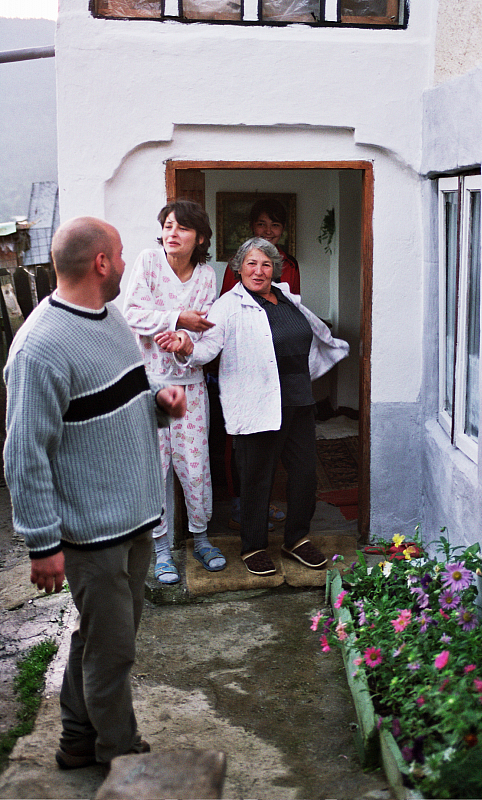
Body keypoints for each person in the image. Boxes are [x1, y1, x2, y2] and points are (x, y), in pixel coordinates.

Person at [3, 217, 188, 770]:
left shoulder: (108, 318)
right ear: (101, 263)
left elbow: (121, 395)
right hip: (92, 534)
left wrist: (161, 402)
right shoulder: (39, 349)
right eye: (123, 255)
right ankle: (120, 753)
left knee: (99, 638)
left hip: (132, 520)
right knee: (113, 651)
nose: (129, 263)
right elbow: (23, 454)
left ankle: (78, 742)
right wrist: (41, 544)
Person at [155, 237, 349, 577]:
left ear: (274, 269)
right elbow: (206, 349)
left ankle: (297, 539)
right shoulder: (228, 306)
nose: (259, 271)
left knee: (304, 476)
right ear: (238, 268)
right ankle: (254, 546)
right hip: (256, 404)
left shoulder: (287, 298)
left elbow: (311, 336)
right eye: (251, 264)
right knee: (258, 479)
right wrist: (185, 345)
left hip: (299, 401)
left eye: (266, 264)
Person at [124, 200, 226, 583]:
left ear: (199, 237)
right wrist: (176, 318)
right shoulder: (148, 262)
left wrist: (182, 337)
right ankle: (162, 551)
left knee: (194, 467)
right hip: (150, 385)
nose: (172, 232)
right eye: (168, 225)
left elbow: (204, 326)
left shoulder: (205, 275)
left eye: (182, 227)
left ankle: (200, 540)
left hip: (189, 388)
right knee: (156, 468)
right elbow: (133, 311)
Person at [219, 197, 300, 530]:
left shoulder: (290, 265)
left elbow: (294, 312)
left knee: (277, 437)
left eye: (276, 225)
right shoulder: (237, 267)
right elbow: (228, 314)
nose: (269, 231)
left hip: (279, 366)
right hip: (246, 364)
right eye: (262, 224)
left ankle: (266, 503)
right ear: (252, 227)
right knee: (243, 438)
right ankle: (242, 505)